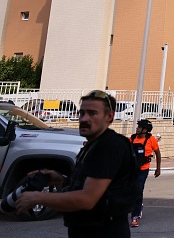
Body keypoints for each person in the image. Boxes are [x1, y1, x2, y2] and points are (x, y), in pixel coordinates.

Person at [15, 90, 136, 238]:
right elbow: (91, 186)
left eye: (92, 113)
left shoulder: (109, 145)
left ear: (109, 116)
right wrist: (60, 179)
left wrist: (38, 198)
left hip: (103, 231)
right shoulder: (93, 145)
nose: (84, 119)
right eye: (82, 113)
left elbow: (87, 199)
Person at [130, 118, 161, 228]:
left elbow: (157, 153)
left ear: (145, 129)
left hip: (143, 169)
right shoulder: (132, 138)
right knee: (131, 190)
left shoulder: (151, 139)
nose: (137, 129)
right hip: (132, 169)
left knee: (138, 189)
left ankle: (135, 216)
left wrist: (158, 168)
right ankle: (137, 206)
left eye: (139, 127)